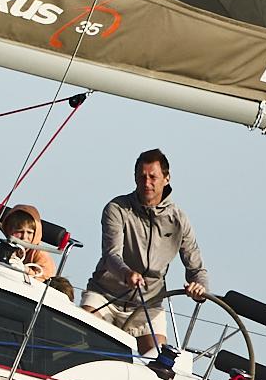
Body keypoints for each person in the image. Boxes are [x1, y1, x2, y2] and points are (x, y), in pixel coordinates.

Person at [80, 148, 208, 357]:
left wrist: (199, 288)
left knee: (158, 362)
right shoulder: (117, 208)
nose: (146, 183)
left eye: (152, 177)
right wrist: (126, 274)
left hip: (148, 305)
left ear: (166, 178)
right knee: (81, 340)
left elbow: (196, 269)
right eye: (142, 177)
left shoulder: (179, 220)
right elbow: (111, 255)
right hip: (104, 296)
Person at [0, 202, 65, 292]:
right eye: (19, 231)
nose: (24, 237)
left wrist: (25, 270)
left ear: (36, 233)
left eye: (29, 232)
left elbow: (45, 280)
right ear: (9, 230)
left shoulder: (41, 255)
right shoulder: (7, 248)